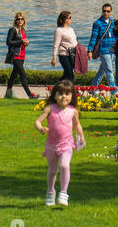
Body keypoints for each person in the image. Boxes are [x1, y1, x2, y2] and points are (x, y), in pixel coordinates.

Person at [33, 78, 85, 207]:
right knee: (52, 170)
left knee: (65, 166)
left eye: (67, 94)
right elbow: (37, 122)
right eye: (60, 94)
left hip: (67, 144)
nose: (63, 97)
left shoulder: (73, 111)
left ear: (71, 96)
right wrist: (40, 128)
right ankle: (50, 192)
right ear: (55, 95)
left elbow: (77, 125)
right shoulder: (50, 108)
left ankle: (63, 193)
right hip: (51, 146)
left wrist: (81, 136)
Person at [5, 12, 37, 99]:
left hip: (22, 55)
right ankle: (30, 95)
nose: (20, 20)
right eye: (18, 19)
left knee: (14, 75)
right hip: (15, 55)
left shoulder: (23, 30)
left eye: (21, 19)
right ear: (15, 20)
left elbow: (22, 42)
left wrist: (26, 43)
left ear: (24, 20)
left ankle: (8, 93)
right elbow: (8, 42)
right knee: (23, 74)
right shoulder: (13, 30)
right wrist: (21, 42)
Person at [87, 3, 118, 88]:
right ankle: (114, 90)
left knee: (102, 71)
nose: (106, 13)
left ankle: (92, 87)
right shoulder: (97, 23)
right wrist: (90, 50)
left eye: (108, 11)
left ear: (111, 12)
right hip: (103, 50)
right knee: (109, 70)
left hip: (113, 50)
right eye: (104, 11)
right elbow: (93, 37)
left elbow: (117, 35)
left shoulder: (113, 22)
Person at [52, 11, 79, 81]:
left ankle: (57, 88)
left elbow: (75, 41)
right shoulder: (59, 30)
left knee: (67, 74)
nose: (71, 19)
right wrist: (54, 57)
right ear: (65, 19)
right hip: (64, 55)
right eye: (69, 17)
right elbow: (56, 45)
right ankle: (72, 91)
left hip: (73, 54)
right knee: (70, 73)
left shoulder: (71, 29)